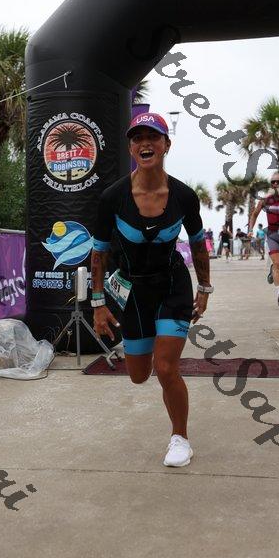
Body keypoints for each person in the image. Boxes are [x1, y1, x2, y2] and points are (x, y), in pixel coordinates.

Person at [91, 113, 213, 468]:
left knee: (166, 367)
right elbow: (98, 253)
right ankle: (146, 357)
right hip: (133, 291)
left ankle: (180, 438)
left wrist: (204, 288)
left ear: (166, 145)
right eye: (137, 138)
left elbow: (199, 244)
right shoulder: (112, 197)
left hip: (173, 285)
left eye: (153, 137)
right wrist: (98, 303)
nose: (145, 143)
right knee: (139, 374)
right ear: (131, 148)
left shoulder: (184, 196)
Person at [249, 172, 279, 306]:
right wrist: (250, 230)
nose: (275, 184)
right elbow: (254, 214)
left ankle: (272, 271)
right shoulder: (265, 200)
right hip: (272, 235)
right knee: (277, 264)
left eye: (278, 182)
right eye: (273, 182)